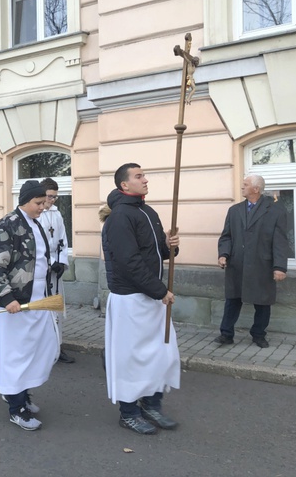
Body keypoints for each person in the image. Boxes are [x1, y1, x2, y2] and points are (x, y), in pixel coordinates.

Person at [100, 163, 181, 435]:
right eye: (139, 176)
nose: (145, 179)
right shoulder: (120, 218)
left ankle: (151, 404)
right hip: (131, 299)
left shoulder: (147, 211)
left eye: (143, 175)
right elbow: (128, 262)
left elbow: (156, 253)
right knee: (130, 359)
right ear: (124, 185)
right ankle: (129, 412)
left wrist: (170, 245)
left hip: (152, 297)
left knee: (161, 354)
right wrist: (160, 291)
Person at [0, 180, 60, 431]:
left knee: (36, 350)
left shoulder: (35, 223)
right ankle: (16, 408)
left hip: (38, 297)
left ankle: (21, 395)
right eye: (38, 203)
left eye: (44, 202)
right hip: (16, 301)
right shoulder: (6, 225)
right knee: (15, 355)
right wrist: (7, 298)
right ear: (25, 201)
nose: (43, 207)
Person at [215, 174, 289, 349]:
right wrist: (223, 254)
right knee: (232, 300)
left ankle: (258, 334)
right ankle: (226, 334)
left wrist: (279, 267)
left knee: (262, 302)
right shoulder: (234, 210)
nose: (242, 187)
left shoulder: (275, 210)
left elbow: (280, 241)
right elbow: (226, 236)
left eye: (245, 184)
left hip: (262, 264)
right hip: (237, 264)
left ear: (256, 189)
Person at [38, 178, 74, 364]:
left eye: (55, 197)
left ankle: (58, 346)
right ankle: (44, 348)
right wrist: (49, 262)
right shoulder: (36, 214)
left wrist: (61, 263)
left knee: (57, 306)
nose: (52, 200)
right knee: (44, 307)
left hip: (55, 268)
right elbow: (37, 244)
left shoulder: (56, 215)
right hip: (42, 267)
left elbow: (63, 240)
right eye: (50, 196)